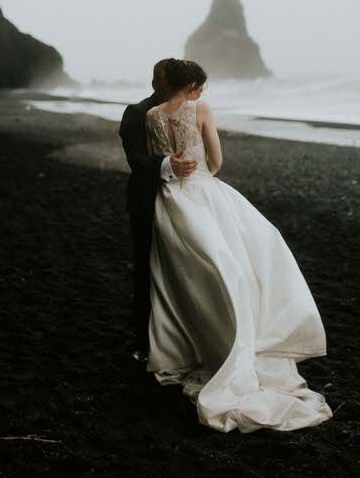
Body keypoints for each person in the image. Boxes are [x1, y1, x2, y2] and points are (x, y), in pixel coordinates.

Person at [143, 58, 333, 432]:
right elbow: (216, 161)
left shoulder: (150, 115)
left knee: (178, 276)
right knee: (242, 257)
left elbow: (156, 160)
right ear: (193, 84)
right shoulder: (200, 109)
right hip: (199, 192)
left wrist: (175, 170)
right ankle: (234, 339)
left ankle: (185, 346)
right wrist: (199, 174)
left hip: (168, 199)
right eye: (202, 86)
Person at [118, 59, 199, 362]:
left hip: (185, 203)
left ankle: (182, 339)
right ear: (155, 84)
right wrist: (168, 164)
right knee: (146, 271)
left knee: (184, 271)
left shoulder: (191, 111)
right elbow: (137, 162)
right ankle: (144, 341)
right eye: (162, 80)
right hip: (147, 202)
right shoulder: (136, 114)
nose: (165, 85)